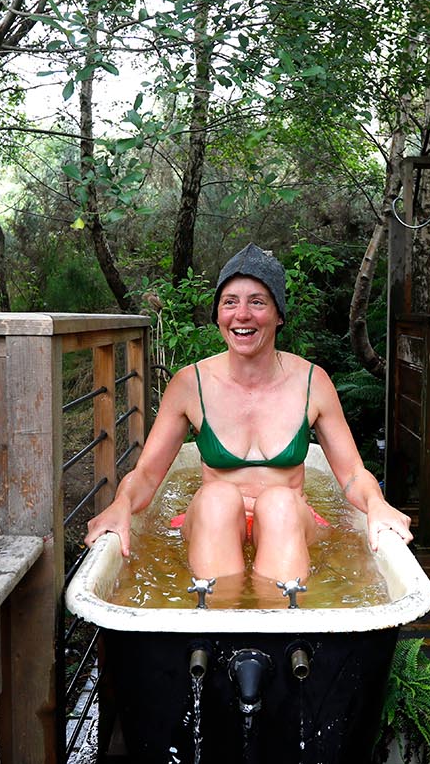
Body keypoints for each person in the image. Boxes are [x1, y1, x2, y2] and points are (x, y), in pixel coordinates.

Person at [84, 243, 412, 588]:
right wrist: (121, 503)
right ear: (218, 315)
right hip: (214, 521)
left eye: (257, 302)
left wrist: (376, 504)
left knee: (280, 504)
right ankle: (214, 622)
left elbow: (350, 475)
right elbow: (148, 476)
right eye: (230, 302)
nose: (242, 314)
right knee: (217, 499)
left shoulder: (312, 382)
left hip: (290, 518)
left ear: (278, 314)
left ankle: (286, 621)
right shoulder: (189, 384)